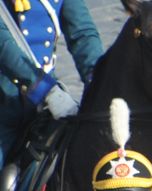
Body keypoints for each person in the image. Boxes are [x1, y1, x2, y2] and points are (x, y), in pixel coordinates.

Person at [0, 0, 101, 170]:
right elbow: (4, 45)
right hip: (6, 103)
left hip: (49, 102)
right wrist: (44, 90)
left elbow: (83, 33)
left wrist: (98, 81)